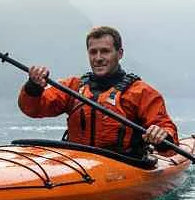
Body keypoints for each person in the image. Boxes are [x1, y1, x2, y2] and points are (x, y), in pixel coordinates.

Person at [18, 25, 178, 156]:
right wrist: (33, 87)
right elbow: (34, 109)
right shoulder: (73, 86)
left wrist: (162, 134)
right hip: (78, 161)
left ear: (119, 53)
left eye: (105, 51)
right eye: (93, 52)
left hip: (124, 164)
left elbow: (166, 129)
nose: (98, 57)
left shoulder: (141, 92)